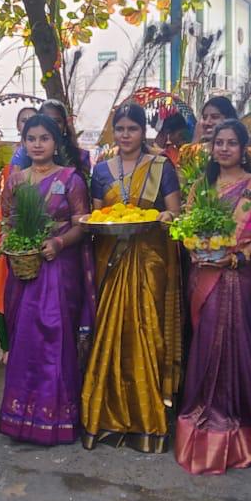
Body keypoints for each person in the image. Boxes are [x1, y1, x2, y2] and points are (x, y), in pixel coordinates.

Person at [174, 119, 251, 475]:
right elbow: (187, 226)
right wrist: (193, 248)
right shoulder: (201, 186)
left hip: (240, 276)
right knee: (206, 346)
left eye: (231, 143)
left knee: (238, 348)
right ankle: (202, 420)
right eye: (218, 143)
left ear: (244, 148)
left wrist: (239, 256)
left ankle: (241, 429)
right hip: (205, 275)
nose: (223, 148)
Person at [81, 103, 182, 452]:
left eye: (132, 129)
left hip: (149, 257)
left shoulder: (160, 166)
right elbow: (98, 215)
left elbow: (174, 210)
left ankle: (147, 418)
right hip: (112, 258)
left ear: (144, 132)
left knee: (147, 332)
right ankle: (108, 415)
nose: (125, 135)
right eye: (120, 129)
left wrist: (164, 216)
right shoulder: (103, 169)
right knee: (112, 332)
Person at [0, 115, 96, 445]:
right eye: (31, 138)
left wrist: (58, 243)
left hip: (59, 266)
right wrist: (14, 246)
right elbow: (7, 222)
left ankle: (58, 418)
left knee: (56, 337)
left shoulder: (71, 180)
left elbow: (82, 224)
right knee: (24, 339)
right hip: (25, 270)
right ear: (23, 143)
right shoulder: (15, 180)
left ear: (56, 143)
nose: (37, 144)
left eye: (44, 138)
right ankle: (20, 417)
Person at [0, 103, 40, 356]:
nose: (27, 123)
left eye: (32, 119)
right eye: (23, 120)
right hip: (6, 225)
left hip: (38, 231)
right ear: (19, 127)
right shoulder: (6, 155)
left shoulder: (48, 162)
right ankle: (7, 344)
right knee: (2, 284)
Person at [10, 99, 91, 174]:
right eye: (47, 120)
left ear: (65, 125)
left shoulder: (81, 156)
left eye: (57, 121)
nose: (52, 125)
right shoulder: (26, 153)